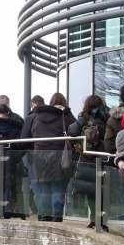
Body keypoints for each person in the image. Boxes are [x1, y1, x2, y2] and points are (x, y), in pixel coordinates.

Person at [21, 92, 77, 221]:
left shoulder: (36, 116)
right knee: (58, 188)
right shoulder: (65, 115)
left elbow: (25, 138)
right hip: (59, 158)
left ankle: (44, 217)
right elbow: (75, 132)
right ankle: (56, 219)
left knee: (44, 190)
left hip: (39, 157)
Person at [68, 95, 110, 227]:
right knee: (103, 189)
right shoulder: (107, 117)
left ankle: (94, 219)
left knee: (91, 191)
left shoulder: (84, 118)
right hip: (103, 158)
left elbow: (72, 132)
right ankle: (102, 220)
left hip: (86, 158)